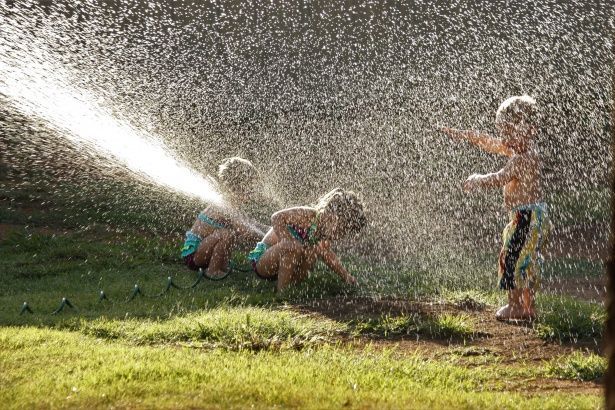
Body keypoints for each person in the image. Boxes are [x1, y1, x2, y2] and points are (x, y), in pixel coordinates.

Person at [441, 95, 549, 320]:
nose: (505, 140)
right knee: (525, 260)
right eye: (503, 133)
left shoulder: (522, 158)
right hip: (533, 215)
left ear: (529, 130)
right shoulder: (524, 149)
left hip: (525, 216)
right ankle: (528, 307)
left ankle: (516, 307)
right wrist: (466, 136)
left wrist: (478, 178)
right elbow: (491, 143)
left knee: (511, 258)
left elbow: (500, 178)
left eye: (508, 133)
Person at [249, 188, 367, 292]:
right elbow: (276, 217)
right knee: (294, 247)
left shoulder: (323, 233)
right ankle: (282, 292)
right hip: (265, 261)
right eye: (342, 230)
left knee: (315, 250)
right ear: (333, 217)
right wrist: (287, 239)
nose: (340, 236)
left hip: (287, 268)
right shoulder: (309, 215)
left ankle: (293, 287)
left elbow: (328, 256)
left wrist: (346, 276)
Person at [181, 157, 267, 278]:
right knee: (226, 234)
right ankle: (212, 271)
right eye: (250, 187)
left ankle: (221, 266)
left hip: (203, 251)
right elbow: (245, 230)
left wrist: (273, 230)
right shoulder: (223, 206)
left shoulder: (234, 205)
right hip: (193, 255)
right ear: (239, 186)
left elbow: (251, 223)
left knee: (228, 233)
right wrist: (267, 240)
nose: (252, 192)